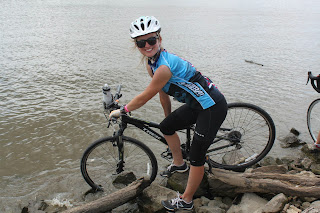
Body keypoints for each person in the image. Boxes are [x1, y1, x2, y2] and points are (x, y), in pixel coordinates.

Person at [109, 16, 228, 211]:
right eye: (141, 42)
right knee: (166, 127)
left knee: (197, 157)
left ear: (159, 39)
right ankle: (179, 164)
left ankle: (186, 200)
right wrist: (169, 118)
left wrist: (123, 110)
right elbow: (162, 93)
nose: (147, 45)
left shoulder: (163, 66)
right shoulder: (151, 63)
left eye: (151, 40)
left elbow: (145, 96)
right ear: (137, 45)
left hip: (211, 106)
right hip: (195, 104)